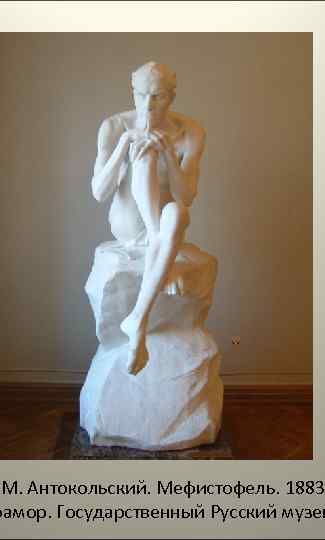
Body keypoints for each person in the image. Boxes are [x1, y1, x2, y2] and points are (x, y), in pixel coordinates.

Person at [90, 61, 206, 375]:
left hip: (167, 222)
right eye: (141, 95)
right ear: (133, 92)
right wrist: (125, 145)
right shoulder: (114, 126)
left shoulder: (191, 132)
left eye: (158, 96)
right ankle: (161, 255)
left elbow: (186, 196)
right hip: (129, 223)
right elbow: (99, 192)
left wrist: (169, 153)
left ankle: (138, 319)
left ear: (172, 97)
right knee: (145, 151)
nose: (148, 104)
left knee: (178, 212)